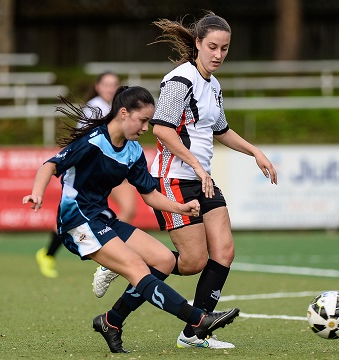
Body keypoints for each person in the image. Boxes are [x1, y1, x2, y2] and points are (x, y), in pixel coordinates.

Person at [93, 11, 278, 349]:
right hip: (173, 180)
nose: (219, 54)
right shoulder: (180, 80)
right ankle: (118, 301)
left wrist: (255, 152)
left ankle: (194, 333)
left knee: (224, 251)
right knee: (191, 262)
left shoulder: (214, 85)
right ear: (197, 44)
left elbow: (220, 130)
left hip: (200, 178)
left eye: (225, 48)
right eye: (212, 47)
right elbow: (162, 129)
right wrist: (197, 166)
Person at [22, 86, 240, 353]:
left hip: (103, 219)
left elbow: (149, 195)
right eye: (143, 120)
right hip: (77, 221)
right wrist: (36, 193)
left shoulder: (133, 152)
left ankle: (111, 321)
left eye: (150, 121)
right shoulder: (93, 142)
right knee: (137, 266)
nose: (146, 128)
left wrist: (180, 208)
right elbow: (51, 165)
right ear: (123, 113)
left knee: (164, 260)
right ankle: (198, 320)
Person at [35, 72, 136, 282]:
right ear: (98, 87)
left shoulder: (121, 109)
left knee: (128, 209)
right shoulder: (94, 107)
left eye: (114, 84)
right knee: (74, 216)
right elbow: (84, 142)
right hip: (94, 169)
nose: (110, 88)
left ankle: (113, 258)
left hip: (114, 166)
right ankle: (48, 254)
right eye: (106, 84)